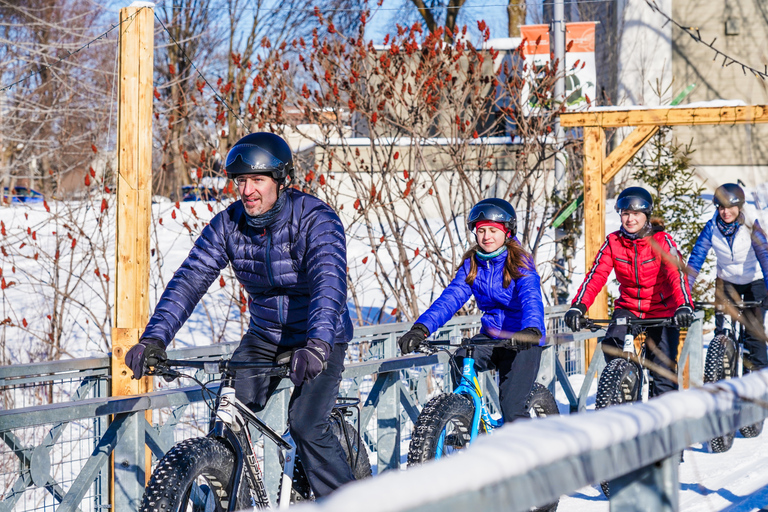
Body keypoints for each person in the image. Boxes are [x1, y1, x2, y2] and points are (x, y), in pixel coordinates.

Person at [124, 132, 355, 497]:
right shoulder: (229, 224)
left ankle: (350, 503)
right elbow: (190, 279)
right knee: (227, 415)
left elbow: (330, 285)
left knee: (307, 424)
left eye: (257, 180)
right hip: (265, 336)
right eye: (240, 180)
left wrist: (318, 347)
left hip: (319, 335)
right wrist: (154, 338)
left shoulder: (316, 220)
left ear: (281, 181)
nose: (247, 190)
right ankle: (236, 500)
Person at [398, 198, 546, 423]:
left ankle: (530, 455)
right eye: (481, 231)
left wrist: (532, 328)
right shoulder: (473, 264)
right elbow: (450, 299)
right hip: (492, 336)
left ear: (507, 232)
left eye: (493, 230)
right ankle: (466, 423)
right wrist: (421, 329)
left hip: (522, 338)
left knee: (512, 406)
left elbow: (531, 297)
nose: (486, 237)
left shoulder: (519, 262)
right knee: (459, 361)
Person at [564, 186, 694, 397]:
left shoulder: (662, 241)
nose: (630, 219)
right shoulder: (613, 242)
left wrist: (684, 304)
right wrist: (579, 306)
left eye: (636, 214)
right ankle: (625, 382)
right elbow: (596, 276)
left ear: (647, 216)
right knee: (612, 345)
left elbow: (676, 274)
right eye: (626, 214)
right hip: (630, 307)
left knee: (663, 375)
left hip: (661, 309)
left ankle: (666, 423)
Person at [687, 183, 768, 372]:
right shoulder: (712, 227)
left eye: (730, 207)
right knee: (722, 332)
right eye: (721, 207)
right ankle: (721, 372)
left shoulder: (751, 225)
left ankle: (759, 381)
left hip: (753, 282)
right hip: (726, 282)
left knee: (754, 333)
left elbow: (765, 257)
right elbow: (696, 259)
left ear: (739, 207)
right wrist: (685, 292)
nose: (725, 212)